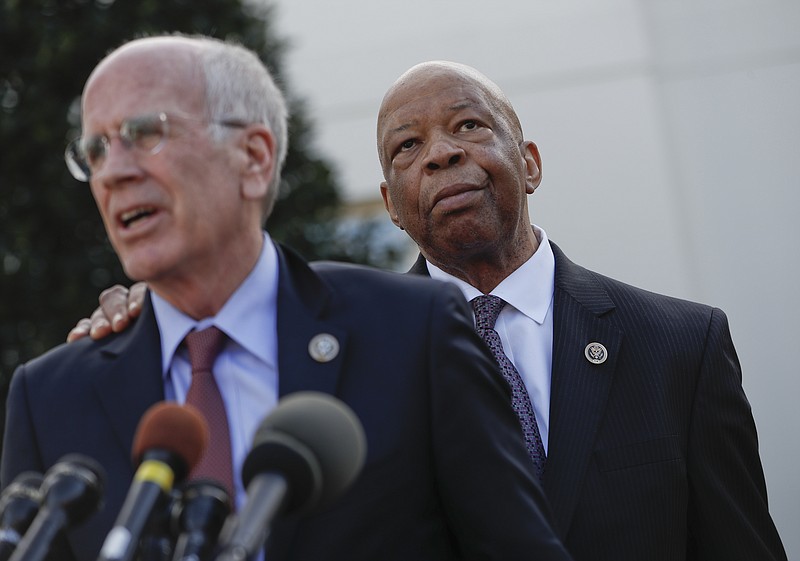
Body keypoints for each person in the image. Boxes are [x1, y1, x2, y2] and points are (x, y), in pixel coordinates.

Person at [78, 60, 788, 561]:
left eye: (470, 126)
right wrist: (162, 310)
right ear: (390, 206)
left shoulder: (680, 345)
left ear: (531, 161)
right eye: (408, 147)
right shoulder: (342, 355)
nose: (442, 155)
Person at [1, 38, 574, 561]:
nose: (113, 172)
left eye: (145, 133)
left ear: (252, 157)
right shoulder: (49, 397)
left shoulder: (412, 333)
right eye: (96, 151)